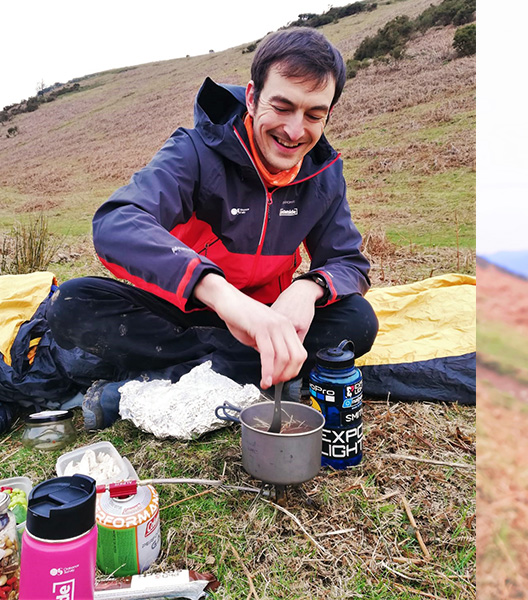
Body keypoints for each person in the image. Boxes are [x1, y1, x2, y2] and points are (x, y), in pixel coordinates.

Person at [47, 27, 379, 430]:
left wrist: (308, 289)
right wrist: (224, 297)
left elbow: (347, 261)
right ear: (253, 98)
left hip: (265, 321)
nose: (295, 131)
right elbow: (117, 221)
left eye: (314, 115)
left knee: (357, 321)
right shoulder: (195, 151)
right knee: (72, 303)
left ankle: (151, 381)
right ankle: (248, 375)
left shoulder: (324, 175)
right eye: (282, 106)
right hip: (178, 312)